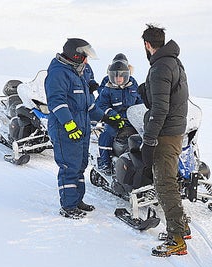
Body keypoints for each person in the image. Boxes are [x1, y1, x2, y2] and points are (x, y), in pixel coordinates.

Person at [140, 24, 190, 257]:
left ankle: (177, 238)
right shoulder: (173, 61)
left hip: (165, 133)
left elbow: (160, 109)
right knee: (168, 181)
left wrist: (149, 139)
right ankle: (182, 227)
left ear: (148, 45)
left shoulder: (160, 67)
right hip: (174, 130)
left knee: (164, 183)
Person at [44, 38, 104, 219]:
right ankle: (68, 206)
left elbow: (88, 105)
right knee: (69, 166)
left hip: (82, 127)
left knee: (80, 166)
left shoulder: (81, 71)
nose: (87, 61)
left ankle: (77, 200)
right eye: (85, 56)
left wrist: (107, 117)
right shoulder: (58, 73)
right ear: (76, 55)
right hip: (65, 129)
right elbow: (57, 102)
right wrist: (69, 125)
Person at [94, 54, 142, 175]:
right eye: (115, 76)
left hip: (132, 120)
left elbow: (140, 102)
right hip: (115, 120)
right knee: (107, 135)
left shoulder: (133, 85)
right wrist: (112, 115)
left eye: (121, 76)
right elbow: (101, 104)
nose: (118, 78)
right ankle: (105, 162)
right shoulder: (108, 87)